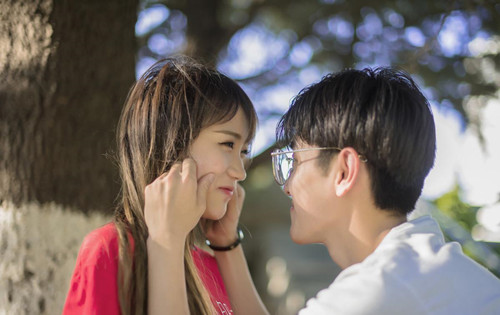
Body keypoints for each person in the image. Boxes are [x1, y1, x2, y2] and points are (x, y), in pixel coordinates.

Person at [271, 67, 500, 314]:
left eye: (294, 162)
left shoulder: (374, 292)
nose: (287, 186)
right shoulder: (428, 270)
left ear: (345, 171)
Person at [62, 57, 268, 315]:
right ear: (174, 145)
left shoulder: (212, 266)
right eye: (228, 144)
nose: (240, 172)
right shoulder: (112, 250)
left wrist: (227, 245)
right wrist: (166, 243)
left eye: (245, 151)